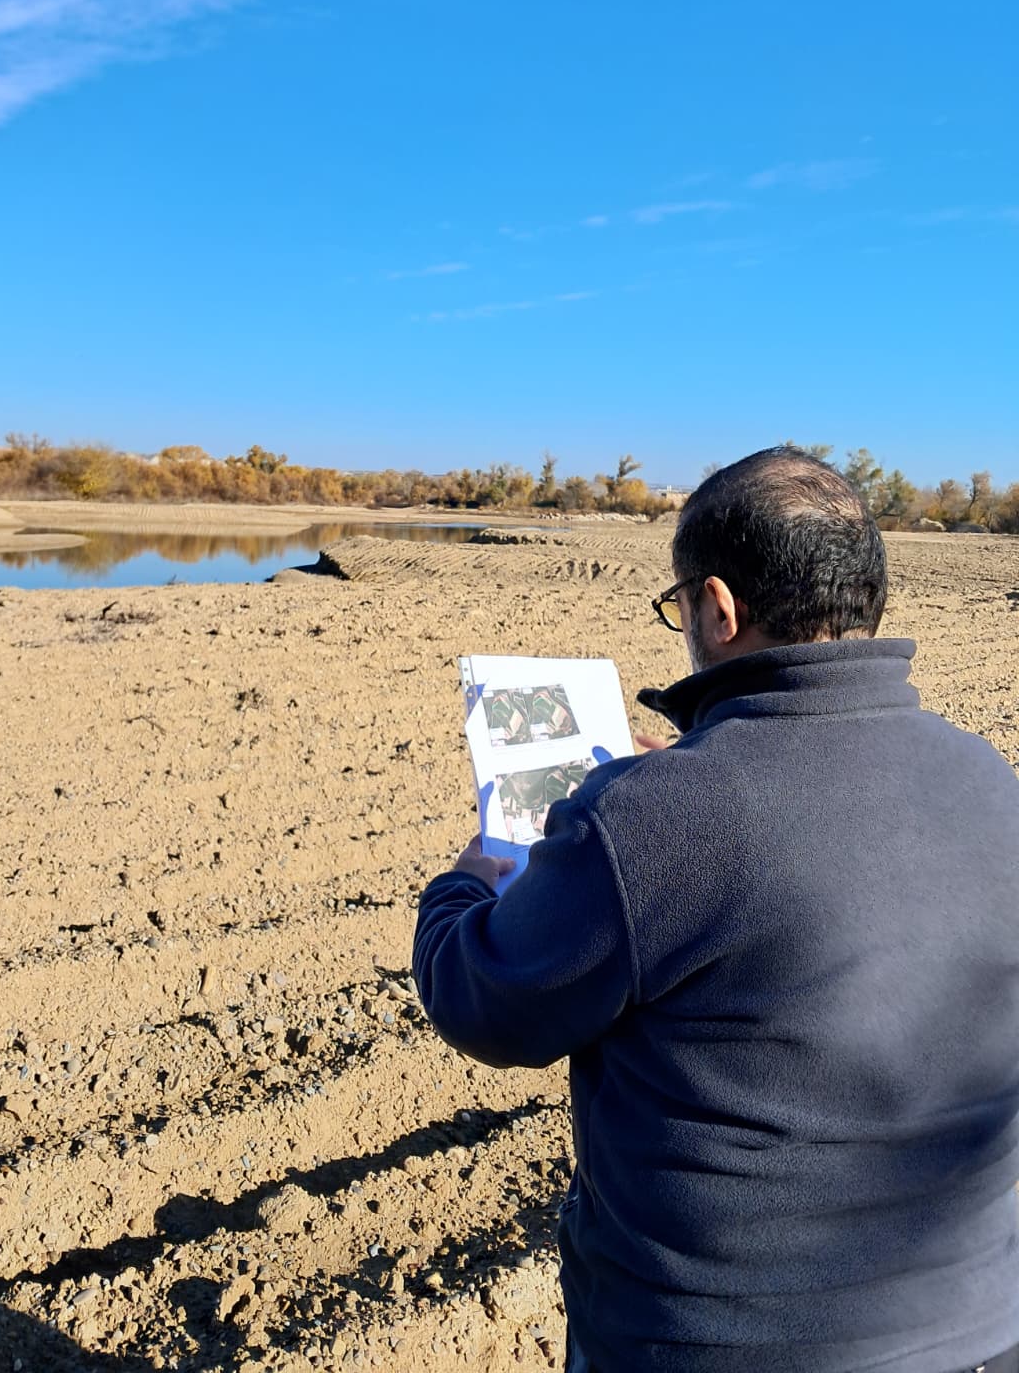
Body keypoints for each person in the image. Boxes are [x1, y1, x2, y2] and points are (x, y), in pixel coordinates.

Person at [412, 447, 1019, 1373]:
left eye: (680, 605)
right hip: (977, 1328)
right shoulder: (988, 777)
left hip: (711, 1344)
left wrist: (475, 876)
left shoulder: (655, 816)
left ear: (720, 606)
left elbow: (486, 1001)